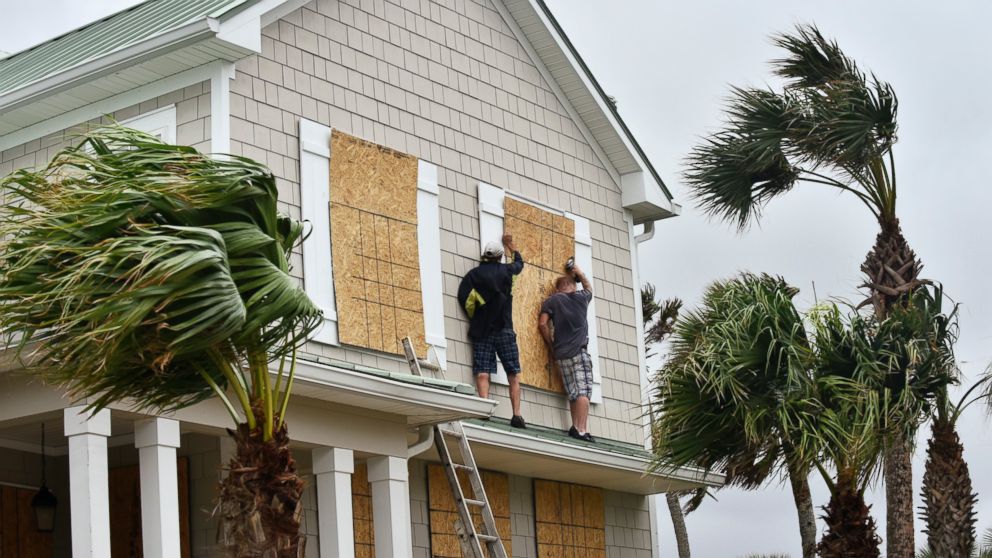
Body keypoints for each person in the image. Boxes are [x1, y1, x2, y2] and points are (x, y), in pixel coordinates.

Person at [457, 234, 527, 428]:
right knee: (513, 372)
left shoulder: (472, 276)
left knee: (482, 371)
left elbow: (465, 299)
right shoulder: (508, 271)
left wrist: (477, 315)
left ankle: (484, 411)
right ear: (499, 256)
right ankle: (517, 415)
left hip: (483, 329)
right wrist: (511, 246)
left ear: (484, 256)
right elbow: (520, 264)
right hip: (504, 328)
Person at [538, 264, 595, 442]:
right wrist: (579, 272)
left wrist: (551, 345)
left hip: (561, 354)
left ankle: (574, 427)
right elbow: (589, 287)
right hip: (579, 352)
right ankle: (581, 429)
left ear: (558, 288)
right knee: (583, 392)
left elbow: (542, 324)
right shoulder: (581, 297)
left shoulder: (552, 300)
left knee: (572, 392)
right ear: (573, 286)